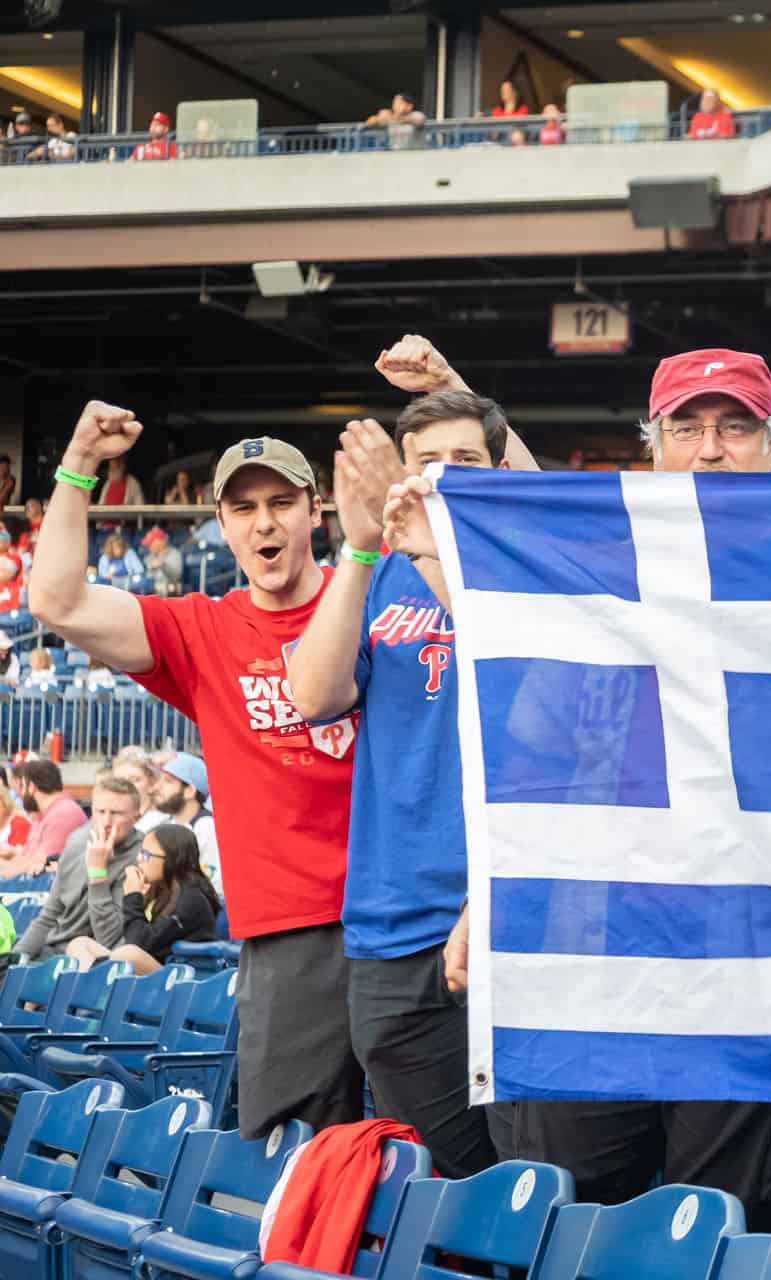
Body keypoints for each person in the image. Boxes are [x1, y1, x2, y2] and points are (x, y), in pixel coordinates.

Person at [385, 345, 771, 1223]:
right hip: (595, 955)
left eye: (737, 428)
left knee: (722, 1225)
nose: (711, 448)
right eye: (687, 428)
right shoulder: (598, 570)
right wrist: (492, 894)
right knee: (567, 1215)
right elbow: (541, 759)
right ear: (652, 448)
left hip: (749, 966)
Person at [28, 402, 368, 1139]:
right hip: (288, 933)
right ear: (220, 521)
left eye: (282, 502)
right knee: (296, 1156)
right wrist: (80, 461)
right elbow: (54, 599)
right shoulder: (201, 629)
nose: (264, 524)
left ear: (318, 510)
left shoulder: (379, 601)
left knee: (433, 1165)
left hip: (403, 921)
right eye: (243, 508)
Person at [287, 389, 517, 1180]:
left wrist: (429, 544)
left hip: (505, 915)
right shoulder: (377, 575)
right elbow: (313, 695)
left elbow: (514, 657)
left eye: (468, 461)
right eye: (427, 464)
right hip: (392, 922)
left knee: (530, 1181)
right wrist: (358, 548)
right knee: (428, 1184)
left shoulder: (530, 565)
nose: (447, 477)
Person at [12, 776, 144, 961]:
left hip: (94, 960)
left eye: (116, 813)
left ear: (136, 818)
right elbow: (50, 915)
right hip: (52, 951)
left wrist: (98, 874)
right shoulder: (77, 841)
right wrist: (16, 960)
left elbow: (109, 940)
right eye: (100, 812)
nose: (106, 822)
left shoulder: (142, 857)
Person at [66, 823, 220, 973]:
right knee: (79, 943)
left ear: (172, 860)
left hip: (181, 978)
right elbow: (121, 940)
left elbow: (138, 945)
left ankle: (92, 980)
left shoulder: (192, 899)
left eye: (147, 855)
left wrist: (133, 898)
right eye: (140, 852)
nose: (139, 859)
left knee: (128, 955)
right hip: (153, 970)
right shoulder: (161, 890)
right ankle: (92, 980)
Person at [0, 758, 87, 880]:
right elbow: (27, 858)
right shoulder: (45, 814)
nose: (20, 795)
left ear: (31, 787)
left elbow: (39, 868)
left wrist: (5, 867)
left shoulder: (63, 814)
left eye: (21, 788)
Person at [151, 750, 220, 891]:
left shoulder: (207, 827)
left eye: (168, 781)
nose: (157, 787)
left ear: (189, 790)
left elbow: (211, 890)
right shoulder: (165, 824)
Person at [143, 526, 184, 595]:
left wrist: (164, 565)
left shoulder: (174, 554)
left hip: (170, 594)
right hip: (151, 592)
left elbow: (176, 576)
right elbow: (145, 578)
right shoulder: (148, 557)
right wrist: (151, 567)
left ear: (161, 542)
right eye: (148, 544)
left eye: (151, 543)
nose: (149, 546)